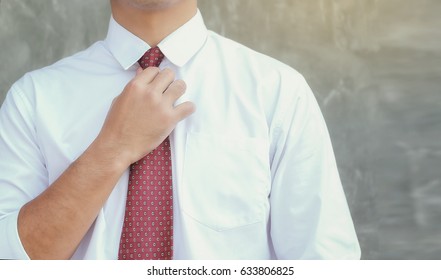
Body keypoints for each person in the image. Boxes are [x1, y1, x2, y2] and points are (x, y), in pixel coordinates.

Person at [0, 0, 361, 260]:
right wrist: (114, 148)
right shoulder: (32, 99)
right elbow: (11, 262)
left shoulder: (277, 91)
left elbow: (324, 262)